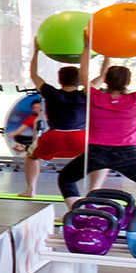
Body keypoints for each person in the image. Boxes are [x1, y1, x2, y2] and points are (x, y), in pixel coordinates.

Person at [68, 42, 136, 199]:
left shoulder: (94, 96)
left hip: (97, 152)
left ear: (106, 81)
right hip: (127, 153)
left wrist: (87, 47)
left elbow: (83, 74)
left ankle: (76, 211)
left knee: (66, 179)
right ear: (128, 82)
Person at [21, 54, 90, 196]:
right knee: (99, 160)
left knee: (31, 156)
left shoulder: (50, 92)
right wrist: (103, 54)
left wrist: (36, 50)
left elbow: (33, 74)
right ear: (80, 81)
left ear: (60, 80)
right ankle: (94, 190)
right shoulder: (86, 93)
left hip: (54, 137)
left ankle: (31, 190)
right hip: (80, 138)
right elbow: (101, 76)